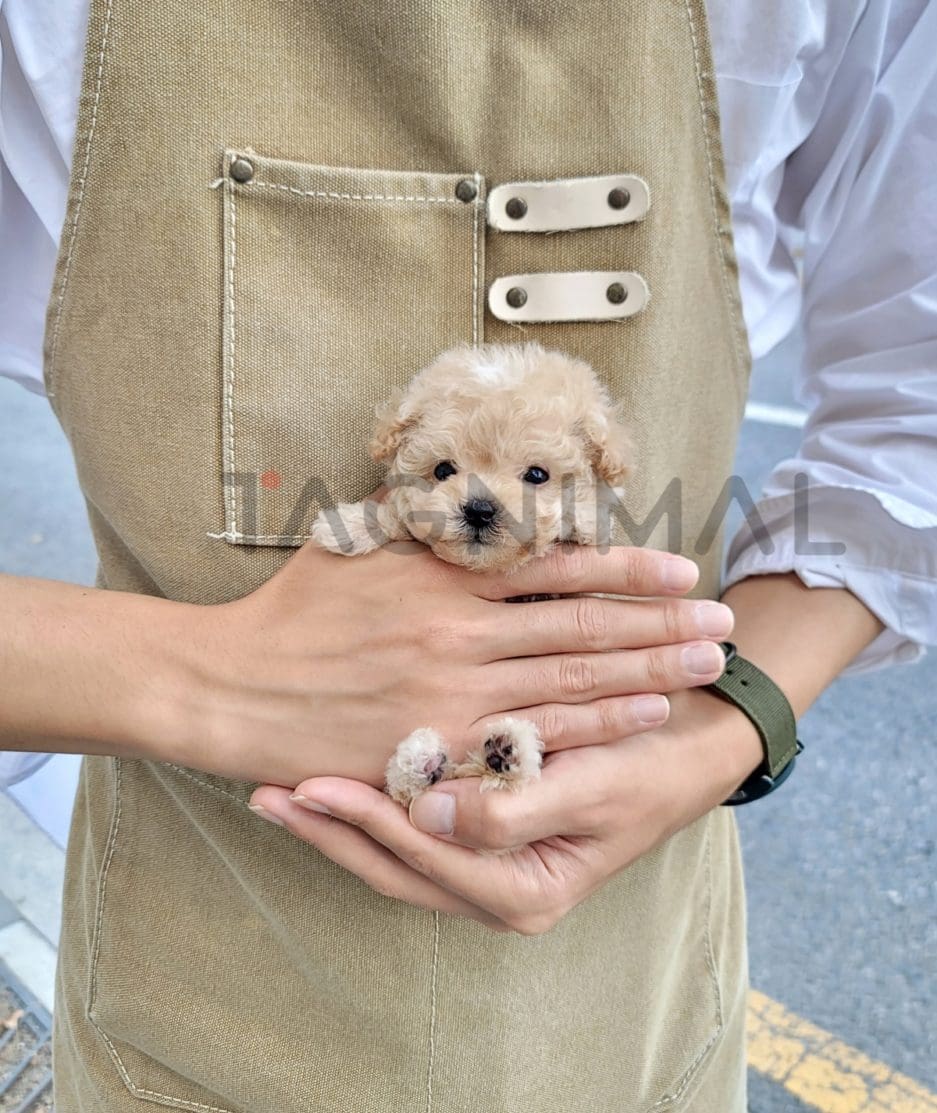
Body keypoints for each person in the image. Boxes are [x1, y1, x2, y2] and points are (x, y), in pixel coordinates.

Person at [0, 0, 934, 1109]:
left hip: (639, 1022)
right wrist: (201, 676)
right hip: (196, 1016)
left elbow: (908, 417)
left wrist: (732, 719)